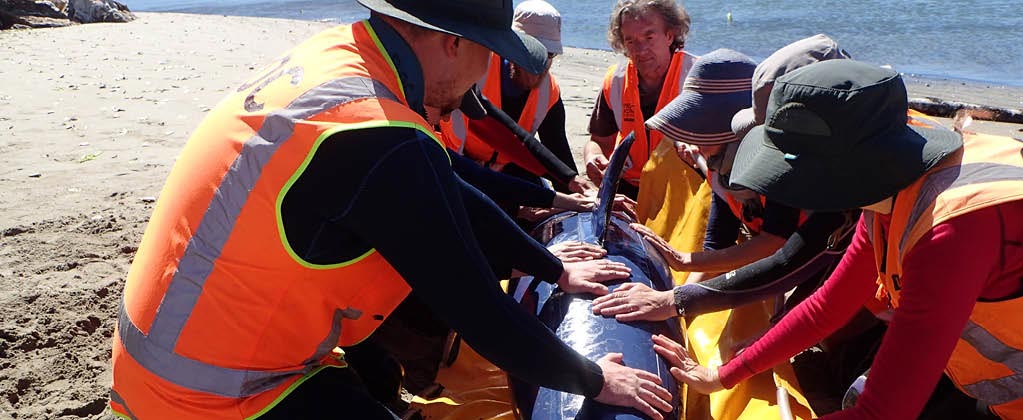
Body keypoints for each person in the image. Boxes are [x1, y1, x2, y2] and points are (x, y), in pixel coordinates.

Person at [108, 1, 675, 419]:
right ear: (453, 42)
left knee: (377, 374)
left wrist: (556, 270)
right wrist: (595, 378)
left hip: (157, 361)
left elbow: (453, 189)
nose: (486, 78)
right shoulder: (381, 139)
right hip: (216, 396)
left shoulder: (340, 58)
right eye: (490, 54)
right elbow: (479, 309)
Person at [652, 59, 1023, 419]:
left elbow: (884, 411)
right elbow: (829, 305)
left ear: (842, 170)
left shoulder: (952, 228)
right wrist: (725, 375)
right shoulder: (897, 186)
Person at [592, 36, 855, 322]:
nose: (692, 145)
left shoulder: (790, 168)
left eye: (699, 132)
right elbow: (718, 244)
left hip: (839, 263)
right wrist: (676, 312)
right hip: (805, 260)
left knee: (816, 330)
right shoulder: (723, 166)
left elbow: (779, 248)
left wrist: (678, 289)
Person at [439, 0, 590, 194]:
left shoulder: (549, 92)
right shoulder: (475, 70)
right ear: (510, 45)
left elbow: (557, 150)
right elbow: (492, 125)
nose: (539, 63)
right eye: (532, 52)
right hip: (459, 163)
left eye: (549, 55)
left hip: (508, 167)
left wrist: (578, 190)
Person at [583, 0, 694, 199]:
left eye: (649, 37)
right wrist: (592, 157)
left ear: (670, 35)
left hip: (683, 194)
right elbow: (599, 142)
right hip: (629, 189)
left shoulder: (696, 77)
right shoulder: (616, 81)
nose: (640, 50)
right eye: (630, 41)